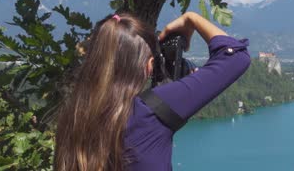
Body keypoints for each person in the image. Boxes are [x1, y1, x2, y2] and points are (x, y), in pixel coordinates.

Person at [54, 12, 251, 171]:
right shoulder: (149, 112)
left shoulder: (73, 117)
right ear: (149, 66)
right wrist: (192, 18)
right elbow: (236, 57)